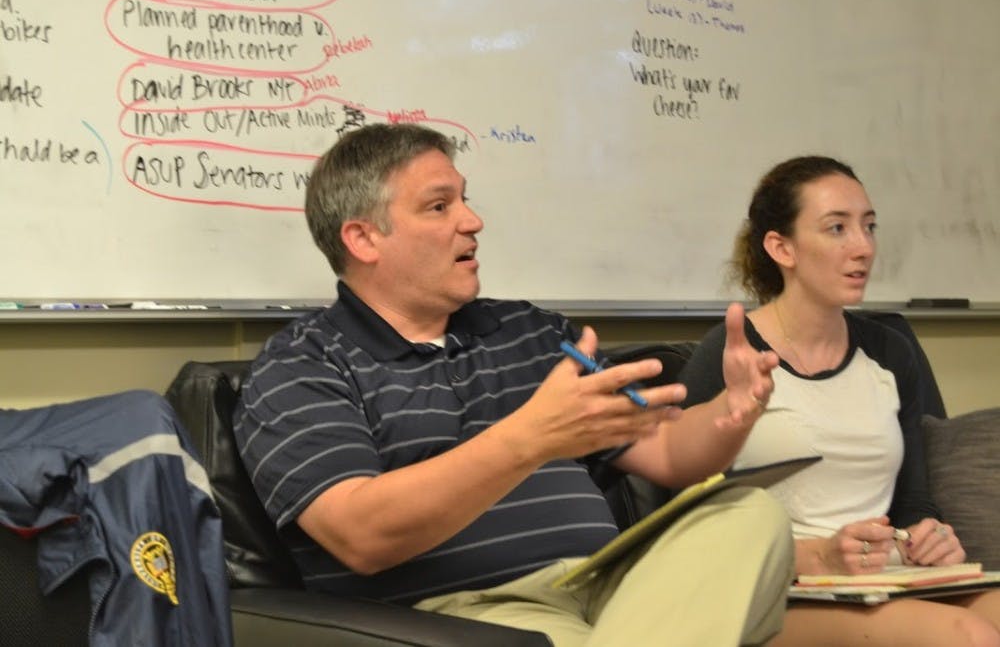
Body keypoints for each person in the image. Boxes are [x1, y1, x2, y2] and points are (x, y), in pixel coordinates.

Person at [233, 122, 792, 646]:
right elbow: (361, 533)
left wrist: (731, 411)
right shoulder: (302, 367)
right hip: (473, 614)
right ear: (363, 239)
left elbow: (670, 453)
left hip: (609, 583)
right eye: (438, 206)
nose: (472, 221)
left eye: (465, 199)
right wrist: (531, 437)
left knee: (745, 513)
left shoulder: (530, 331)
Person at [678, 155, 1000, 646]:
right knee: (966, 636)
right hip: (778, 589)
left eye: (868, 227)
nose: (863, 247)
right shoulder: (730, 351)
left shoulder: (890, 348)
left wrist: (931, 536)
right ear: (781, 247)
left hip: (887, 579)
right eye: (837, 229)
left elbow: (913, 500)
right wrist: (817, 554)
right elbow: (689, 521)